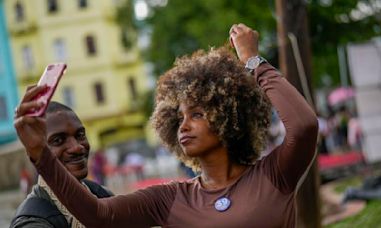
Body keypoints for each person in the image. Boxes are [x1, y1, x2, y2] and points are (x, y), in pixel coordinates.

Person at [14, 23, 318, 227]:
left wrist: (252, 61)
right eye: (180, 117)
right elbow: (98, 215)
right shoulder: (169, 199)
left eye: (197, 114)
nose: (183, 126)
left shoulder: (274, 174)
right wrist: (40, 153)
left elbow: (304, 126)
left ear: (230, 117)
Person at [11, 101, 113, 228]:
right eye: (58, 140)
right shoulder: (33, 222)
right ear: (34, 150)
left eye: (80, 135)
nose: (77, 147)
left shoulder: (102, 195)